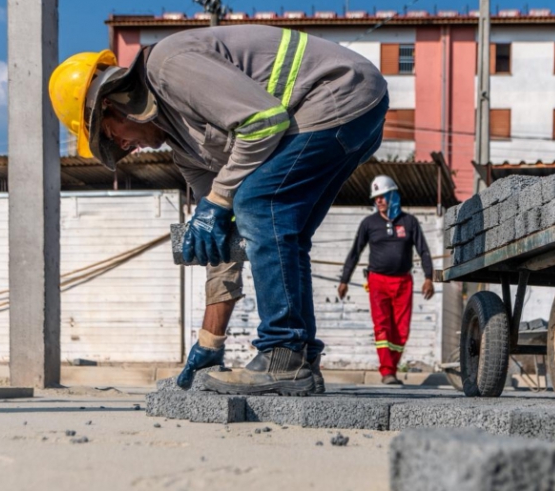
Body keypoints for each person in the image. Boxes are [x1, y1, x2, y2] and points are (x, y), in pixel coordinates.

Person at [49, 25, 388, 396]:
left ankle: (282, 354)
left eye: (110, 135)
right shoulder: (186, 150)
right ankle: (300, 359)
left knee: (258, 202)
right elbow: (224, 242)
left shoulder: (168, 66)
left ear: (112, 104)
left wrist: (219, 200)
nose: (124, 147)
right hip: (351, 110)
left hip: (339, 91)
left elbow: (263, 122)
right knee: (286, 234)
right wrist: (211, 341)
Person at [337, 176, 435, 384]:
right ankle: (387, 371)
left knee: (401, 329)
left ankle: (392, 367)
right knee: (382, 325)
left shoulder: (409, 222)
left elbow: (424, 250)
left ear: (393, 196)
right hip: (377, 281)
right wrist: (344, 280)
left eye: (383, 196)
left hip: (403, 283)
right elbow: (355, 252)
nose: (379, 200)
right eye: (376, 197)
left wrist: (428, 277)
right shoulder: (369, 223)